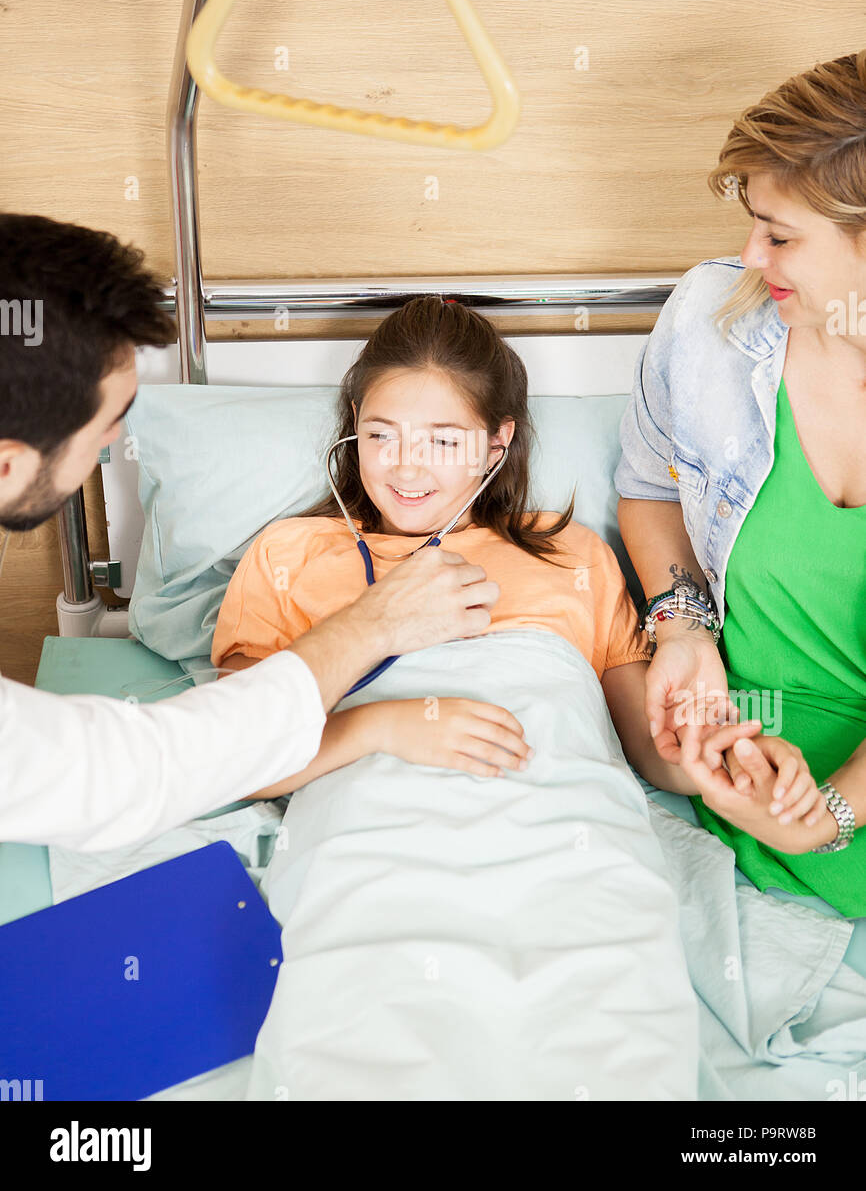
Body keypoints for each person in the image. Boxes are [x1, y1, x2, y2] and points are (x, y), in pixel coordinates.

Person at [208, 294, 810, 826]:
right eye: (381, 434)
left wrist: (711, 763)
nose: (406, 466)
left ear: (498, 444)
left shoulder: (571, 555)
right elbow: (236, 757)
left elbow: (652, 752)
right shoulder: (289, 555)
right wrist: (384, 726)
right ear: (353, 429)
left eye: (443, 440)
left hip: (562, 825)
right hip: (374, 832)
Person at [0, 214, 502, 852]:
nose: (115, 445)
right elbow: (135, 771)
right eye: (108, 423)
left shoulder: (569, 560)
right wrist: (374, 628)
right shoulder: (288, 556)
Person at [615, 50, 866, 918]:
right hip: (731, 756)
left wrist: (824, 814)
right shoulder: (711, 324)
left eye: (782, 234)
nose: (749, 253)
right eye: (754, 222)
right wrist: (682, 630)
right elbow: (649, 487)